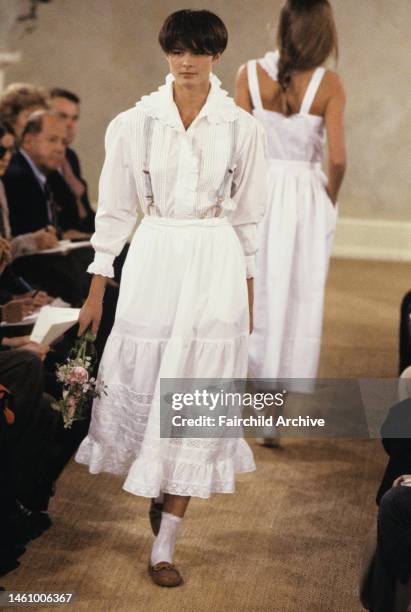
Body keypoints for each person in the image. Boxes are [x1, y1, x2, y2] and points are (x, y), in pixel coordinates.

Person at [75, 9, 266, 587]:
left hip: (215, 262)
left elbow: (251, 220)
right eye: (177, 50)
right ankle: (156, 487)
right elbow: (112, 211)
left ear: (215, 55)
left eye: (198, 51)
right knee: (154, 379)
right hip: (155, 257)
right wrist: (96, 288)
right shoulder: (134, 124)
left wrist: (248, 297)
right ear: (166, 53)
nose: (186, 61)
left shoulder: (242, 129)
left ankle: (165, 544)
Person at [235, 0, 346, 389]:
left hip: (259, 188)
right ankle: (277, 397)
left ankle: (243, 376)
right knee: (298, 290)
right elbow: (338, 159)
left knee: (253, 284)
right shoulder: (329, 84)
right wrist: (329, 196)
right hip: (305, 196)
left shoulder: (248, 74)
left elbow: (238, 149)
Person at [3, 111, 91, 305]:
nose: (60, 149)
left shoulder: (45, 175)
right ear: (27, 140)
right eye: (52, 140)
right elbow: (21, 244)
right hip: (24, 272)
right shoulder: (16, 175)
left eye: (63, 143)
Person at [49, 88, 95, 233]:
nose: (70, 124)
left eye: (74, 118)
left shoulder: (70, 157)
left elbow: (84, 209)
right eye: (63, 116)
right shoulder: (41, 158)